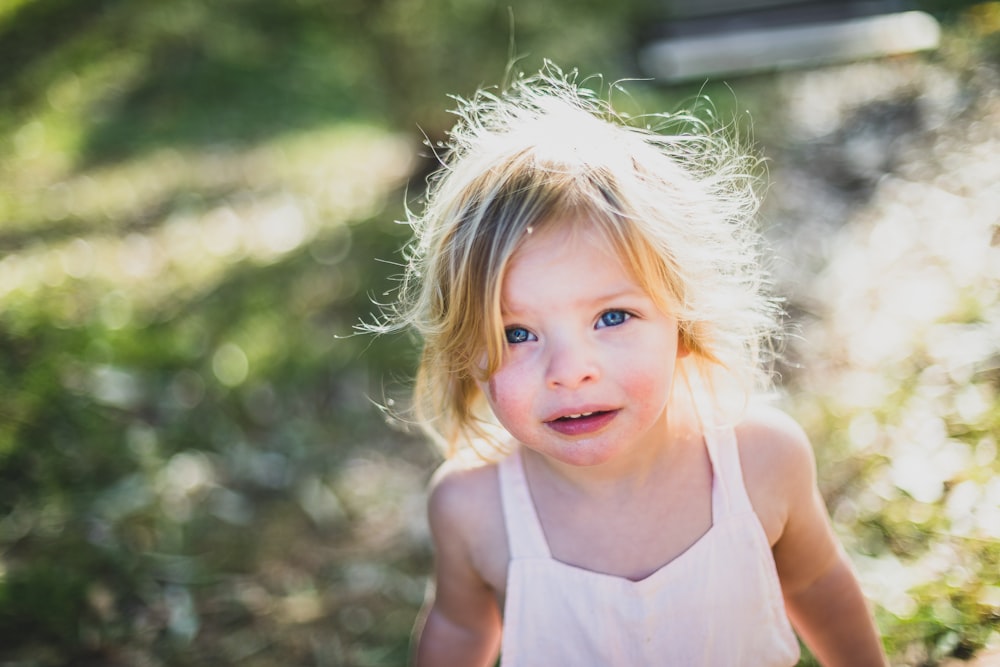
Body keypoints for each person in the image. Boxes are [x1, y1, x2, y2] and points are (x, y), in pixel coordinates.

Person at [371, 63, 887, 666]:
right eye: (516, 332)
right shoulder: (473, 507)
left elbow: (815, 582)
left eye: (612, 317)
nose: (570, 369)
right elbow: (459, 631)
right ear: (467, 354)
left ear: (684, 323)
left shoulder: (761, 461)